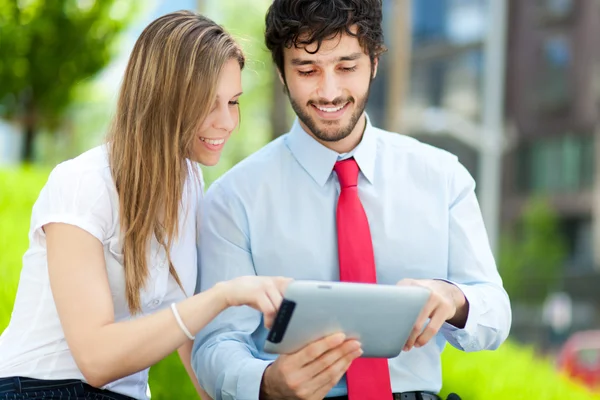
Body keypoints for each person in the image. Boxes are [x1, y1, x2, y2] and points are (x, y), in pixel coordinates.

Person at [191, 0, 512, 399]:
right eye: (307, 70)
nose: (329, 92)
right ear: (280, 71)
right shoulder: (232, 199)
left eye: (346, 67)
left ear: (374, 62)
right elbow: (215, 345)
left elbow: (495, 313)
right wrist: (266, 382)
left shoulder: (443, 177)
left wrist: (455, 298)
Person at [0, 11, 289, 400]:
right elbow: (96, 360)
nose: (227, 122)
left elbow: (188, 336)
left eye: (233, 102)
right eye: (208, 103)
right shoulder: (83, 183)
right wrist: (223, 294)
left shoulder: (189, 184)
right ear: (162, 98)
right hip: (38, 388)